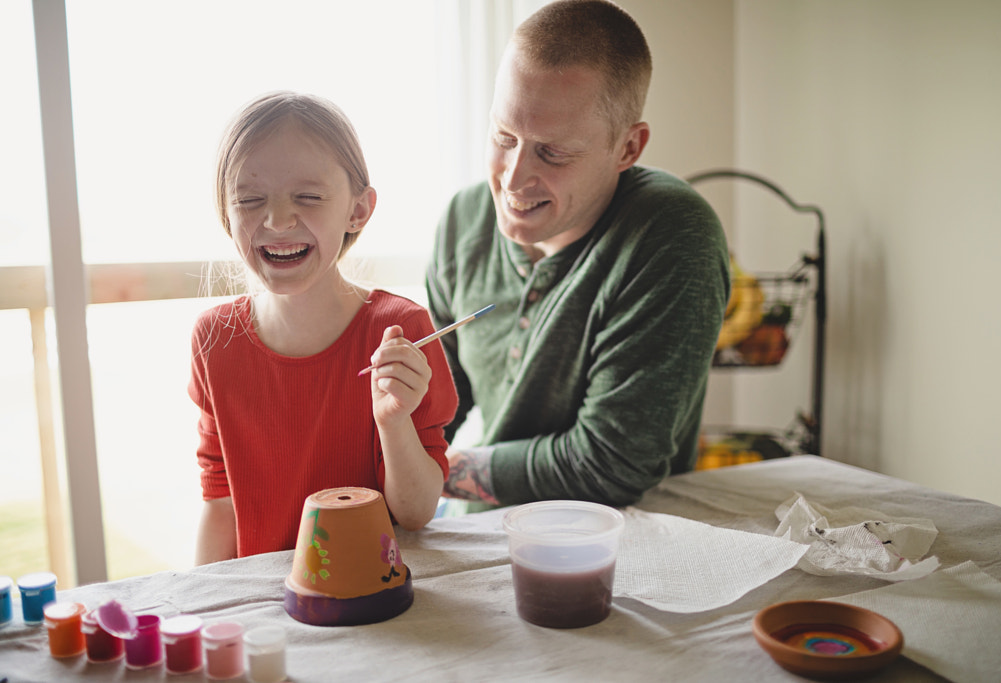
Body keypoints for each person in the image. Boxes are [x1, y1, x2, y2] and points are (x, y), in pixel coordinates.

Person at [427, 0, 730, 509]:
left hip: (621, 546)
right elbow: (435, 406)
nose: (512, 178)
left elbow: (611, 463)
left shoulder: (672, 233)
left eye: (553, 152)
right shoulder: (464, 219)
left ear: (628, 149)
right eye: (503, 136)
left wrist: (431, 470)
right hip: (477, 533)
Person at [190, 92, 458, 564]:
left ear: (358, 210)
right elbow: (219, 506)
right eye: (250, 201)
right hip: (266, 613)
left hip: (373, 606)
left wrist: (393, 421)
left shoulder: (401, 329)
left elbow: (416, 514)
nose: (277, 220)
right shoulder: (214, 340)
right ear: (226, 216)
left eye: (308, 197)